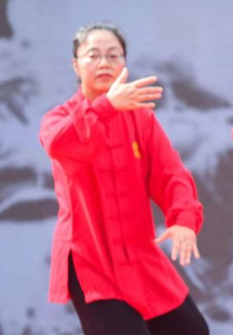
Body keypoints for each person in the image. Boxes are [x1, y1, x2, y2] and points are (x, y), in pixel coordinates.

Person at [40, 23, 210, 335]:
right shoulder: (59, 119)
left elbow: (170, 173)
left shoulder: (141, 118)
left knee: (192, 330)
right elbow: (61, 146)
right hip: (91, 257)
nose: (104, 62)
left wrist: (184, 218)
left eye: (113, 55)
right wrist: (105, 108)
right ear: (76, 65)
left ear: (124, 64)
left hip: (140, 254)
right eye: (93, 55)